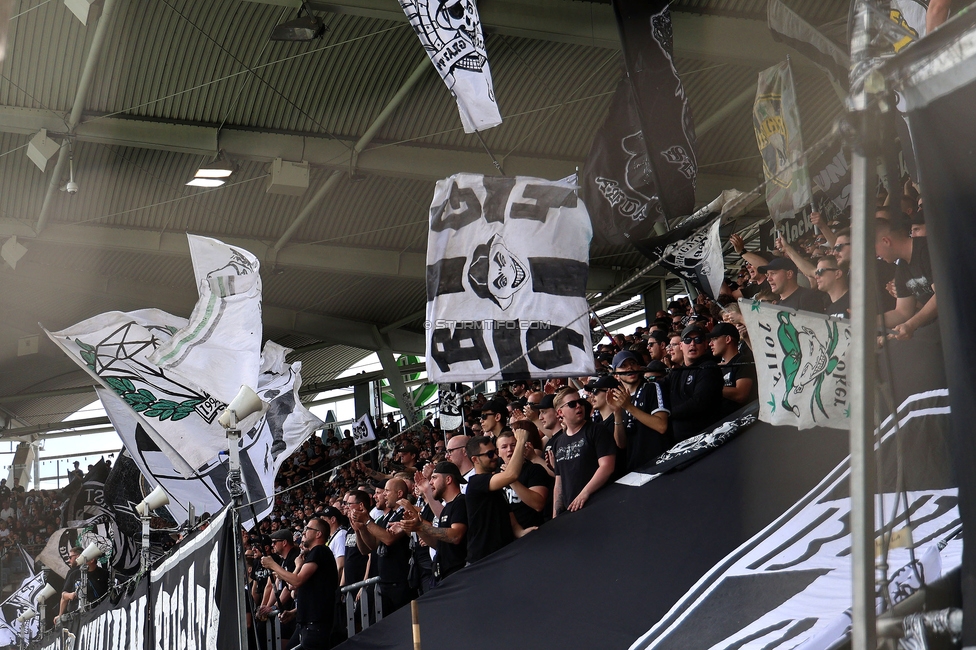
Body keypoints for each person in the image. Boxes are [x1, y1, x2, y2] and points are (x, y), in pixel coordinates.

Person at [261, 518, 339, 650]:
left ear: (318, 534)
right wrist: (294, 612)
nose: (303, 532)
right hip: (306, 624)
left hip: (316, 626)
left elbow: (297, 580)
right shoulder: (314, 554)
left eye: (308, 529)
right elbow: (298, 587)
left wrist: (273, 565)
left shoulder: (319, 551)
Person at [396, 461, 468, 584]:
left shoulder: (461, 502)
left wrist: (421, 526)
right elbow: (437, 544)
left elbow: (455, 536)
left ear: (448, 479)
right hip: (445, 574)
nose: (430, 482)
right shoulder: (447, 508)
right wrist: (418, 529)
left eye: (434, 478)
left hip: (460, 574)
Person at [464, 430, 529, 563]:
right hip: (483, 559)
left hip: (502, 554)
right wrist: (521, 441)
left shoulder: (493, 483)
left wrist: (520, 532)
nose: (495, 457)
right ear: (475, 459)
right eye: (489, 454)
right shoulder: (476, 483)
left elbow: (507, 512)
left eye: (495, 452)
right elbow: (512, 475)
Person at [549, 387, 615, 517]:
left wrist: (585, 493)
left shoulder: (597, 430)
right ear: (560, 412)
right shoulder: (558, 442)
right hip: (572, 511)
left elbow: (607, 466)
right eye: (572, 404)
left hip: (599, 505)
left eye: (580, 402)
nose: (578, 406)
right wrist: (555, 517)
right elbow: (559, 482)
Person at [351, 478, 413, 615]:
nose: (384, 494)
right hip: (385, 583)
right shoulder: (387, 517)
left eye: (387, 491)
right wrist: (360, 529)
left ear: (399, 493)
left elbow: (389, 539)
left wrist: (367, 521)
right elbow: (369, 548)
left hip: (400, 582)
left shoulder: (406, 513)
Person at [876, 214, 937, 340]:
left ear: (886, 241)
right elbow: (902, 312)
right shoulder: (902, 267)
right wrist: (869, 322)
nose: (876, 255)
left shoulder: (927, 250)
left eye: (874, 249)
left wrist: (911, 324)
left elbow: (942, 294)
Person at [606, 350, 670, 472]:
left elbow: (661, 426)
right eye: (623, 366)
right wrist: (617, 412)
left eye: (633, 363)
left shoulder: (652, 387)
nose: (630, 367)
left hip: (660, 463)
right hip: (635, 467)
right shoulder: (620, 400)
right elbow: (621, 444)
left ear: (639, 367)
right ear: (616, 375)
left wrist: (629, 407)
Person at [667, 324, 725, 442]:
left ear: (705, 345)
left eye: (698, 340)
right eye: (688, 340)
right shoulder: (676, 372)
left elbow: (699, 403)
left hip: (704, 441)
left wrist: (667, 414)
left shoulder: (709, 368)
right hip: (679, 443)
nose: (692, 344)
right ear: (681, 346)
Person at [497, 429, 550, 529]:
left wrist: (511, 479)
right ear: (498, 452)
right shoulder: (496, 475)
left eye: (513, 445)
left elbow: (538, 504)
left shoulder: (534, 469)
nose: (509, 449)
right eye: (504, 447)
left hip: (534, 531)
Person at [708, 322, 757, 417]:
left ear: (728, 339)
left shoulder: (743, 361)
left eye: (714, 339)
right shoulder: (719, 367)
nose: (710, 344)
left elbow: (741, 394)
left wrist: (710, 389)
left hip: (744, 421)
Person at [259, 529, 300, 638]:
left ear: (284, 542)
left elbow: (289, 586)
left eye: (275, 542)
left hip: (290, 607)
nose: (272, 545)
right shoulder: (283, 560)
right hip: (283, 608)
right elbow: (276, 585)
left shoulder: (294, 557)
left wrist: (275, 607)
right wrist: (268, 606)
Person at [759, 257, 828, 313]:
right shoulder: (778, 305)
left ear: (789, 274)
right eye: (768, 275)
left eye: (773, 273)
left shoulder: (808, 298)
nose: (768, 279)